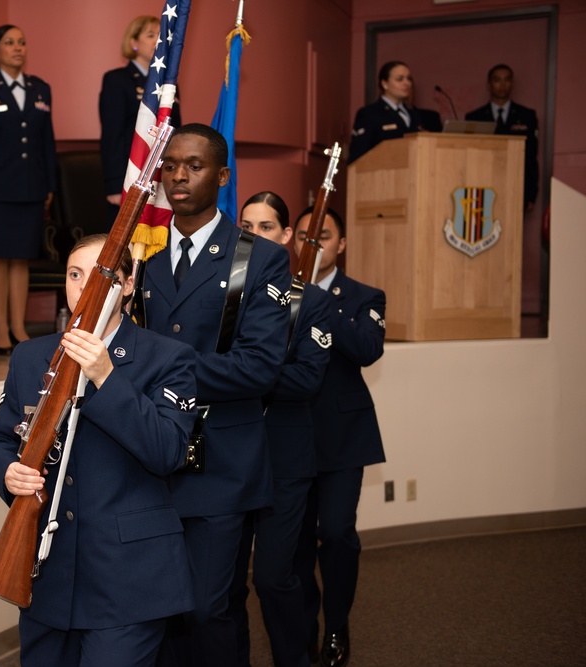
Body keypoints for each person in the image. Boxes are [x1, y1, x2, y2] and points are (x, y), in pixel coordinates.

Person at [0, 233, 198, 666]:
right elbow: (1, 439)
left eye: (100, 277)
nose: (84, 288)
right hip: (48, 577)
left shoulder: (168, 358)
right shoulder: (30, 357)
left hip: (129, 579)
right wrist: (6, 470)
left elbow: (168, 451)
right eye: (74, 275)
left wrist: (106, 376)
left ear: (129, 283)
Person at [139, 125, 292, 666]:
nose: (179, 176)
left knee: (209, 607)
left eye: (195, 165)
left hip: (223, 464)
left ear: (222, 177)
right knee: (168, 611)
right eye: (171, 165)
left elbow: (259, 368)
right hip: (157, 460)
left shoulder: (258, 260)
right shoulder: (149, 268)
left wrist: (159, 370)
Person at [229, 192, 331, 667]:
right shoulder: (223, 295)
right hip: (227, 459)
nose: (253, 235)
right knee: (225, 585)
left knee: (273, 577)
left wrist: (246, 372)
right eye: (246, 226)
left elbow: (307, 379)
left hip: (284, 462)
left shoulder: (311, 302)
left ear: (287, 235)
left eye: (266, 227)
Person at [290, 207, 386, 667]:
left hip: (345, 437)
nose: (314, 243)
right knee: (297, 542)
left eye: (323, 236)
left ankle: (337, 622)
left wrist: (317, 299)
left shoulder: (366, 296)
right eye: (306, 236)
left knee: (339, 532)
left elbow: (367, 349)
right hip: (291, 435)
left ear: (340, 244)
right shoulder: (277, 294)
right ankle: (304, 626)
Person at [0, 25, 57, 354]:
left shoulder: (40, 88)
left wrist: (50, 186)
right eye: (9, 43)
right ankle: (1, 327)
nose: (17, 48)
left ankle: (19, 325)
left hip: (31, 186)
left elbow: (47, 143)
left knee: (21, 258)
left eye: (21, 42)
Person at [99, 15, 182, 225]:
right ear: (133, 43)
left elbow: (176, 134)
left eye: (161, 36)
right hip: (130, 175)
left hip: (162, 179)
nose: (158, 41)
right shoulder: (116, 80)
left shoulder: (169, 84)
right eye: (150, 35)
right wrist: (114, 185)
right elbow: (112, 135)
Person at [465, 64, 540, 211]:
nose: (502, 85)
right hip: (483, 186)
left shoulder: (527, 116)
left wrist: (531, 195)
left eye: (506, 80)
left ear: (512, 84)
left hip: (517, 186)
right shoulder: (475, 117)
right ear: (488, 84)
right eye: (497, 80)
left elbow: (531, 157)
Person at [348, 61, 419, 164]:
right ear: (384, 84)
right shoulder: (370, 113)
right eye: (400, 79)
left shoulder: (413, 114)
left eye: (409, 78)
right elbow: (358, 155)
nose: (406, 83)